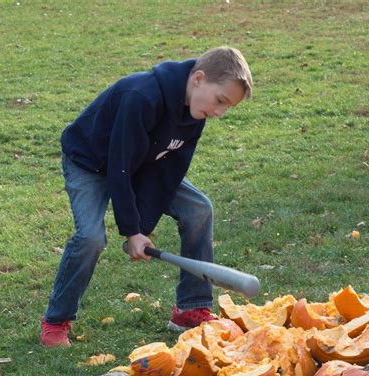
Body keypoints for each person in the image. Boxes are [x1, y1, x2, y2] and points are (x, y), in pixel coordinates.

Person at [41, 46, 253, 347]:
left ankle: (190, 309)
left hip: (142, 163)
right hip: (90, 162)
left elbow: (168, 172)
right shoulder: (142, 97)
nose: (219, 113)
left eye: (227, 107)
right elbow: (120, 166)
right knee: (90, 238)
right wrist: (131, 230)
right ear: (198, 78)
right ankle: (56, 319)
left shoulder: (196, 111)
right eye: (220, 101)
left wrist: (143, 226)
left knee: (199, 209)